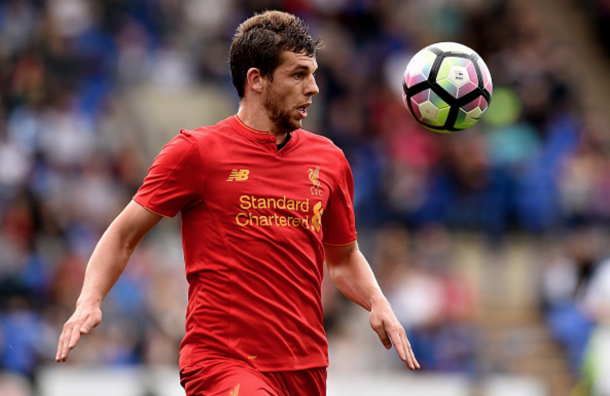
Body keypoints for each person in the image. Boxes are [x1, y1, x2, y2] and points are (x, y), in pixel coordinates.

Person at [56, 10, 419, 396]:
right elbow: (123, 235)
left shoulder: (329, 160)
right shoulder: (195, 152)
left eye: (312, 73)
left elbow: (344, 259)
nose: (313, 88)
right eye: (298, 74)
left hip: (306, 366)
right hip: (222, 362)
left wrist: (377, 301)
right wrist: (88, 301)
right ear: (256, 80)